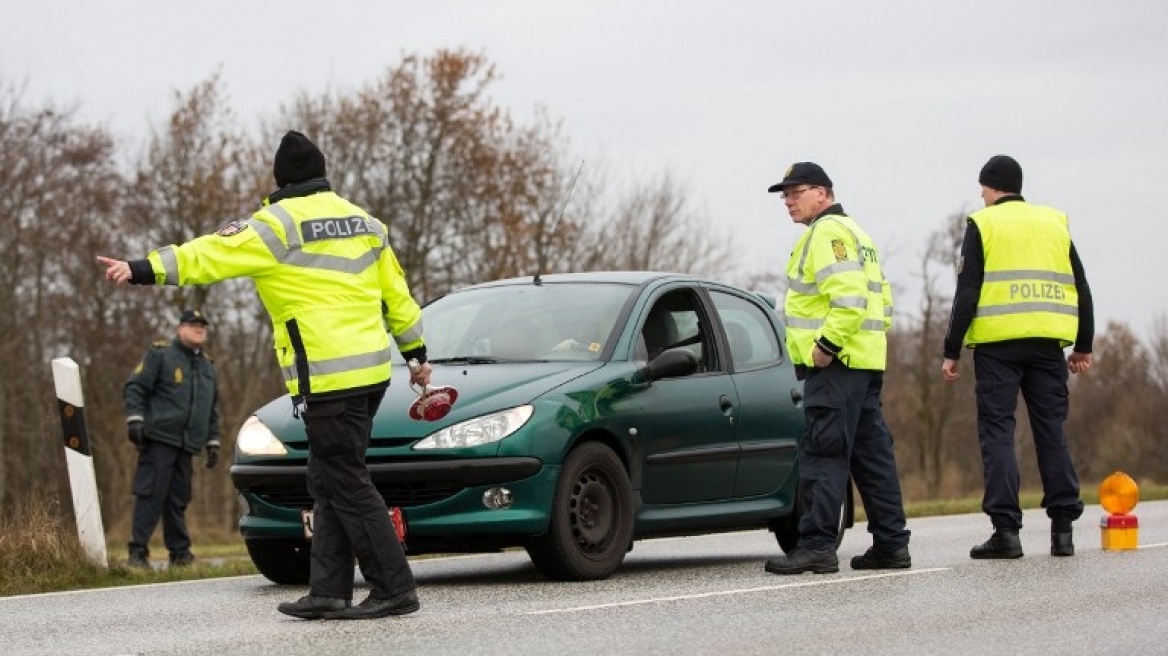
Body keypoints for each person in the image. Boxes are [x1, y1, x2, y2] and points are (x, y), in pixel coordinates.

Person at [98, 130, 431, 620]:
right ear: (323, 175)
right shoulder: (366, 223)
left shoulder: (275, 225)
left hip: (327, 376)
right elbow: (396, 296)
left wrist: (142, 268)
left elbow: (207, 254)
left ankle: (394, 587)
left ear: (281, 180)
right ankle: (329, 591)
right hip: (371, 373)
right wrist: (416, 354)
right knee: (327, 479)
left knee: (345, 480)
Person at [941, 154, 1094, 559]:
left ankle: (1006, 533)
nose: (980, 195)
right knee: (1051, 431)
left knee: (998, 433)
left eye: (983, 188)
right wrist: (1083, 345)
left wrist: (951, 350)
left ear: (992, 188)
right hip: (1047, 345)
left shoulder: (983, 223)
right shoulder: (1054, 222)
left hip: (997, 347)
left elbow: (967, 291)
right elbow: (1081, 285)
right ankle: (1063, 531)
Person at [762, 162, 911, 575]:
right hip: (863, 361)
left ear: (822, 194)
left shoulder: (826, 233)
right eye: (784, 195)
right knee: (872, 457)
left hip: (837, 365)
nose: (788, 201)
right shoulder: (857, 233)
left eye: (796, 192)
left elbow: (848, 297)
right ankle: (892, 545)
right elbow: (882, 302)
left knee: (823, 455)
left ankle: (816, 546)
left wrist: (826, 347)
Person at [124, 308, 220, 569]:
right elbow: (136, 386)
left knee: (178, 500)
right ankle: (137, 554)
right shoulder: (162, 354)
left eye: (203, 325)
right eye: (193, 324)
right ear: (180, 329)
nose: (199, 328)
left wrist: (212, 442)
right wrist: (135, 418)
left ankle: (180, 554)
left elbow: (211, 409)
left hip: (188, 444)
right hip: (159, 439)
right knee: (151, 495)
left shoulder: (208, 368)